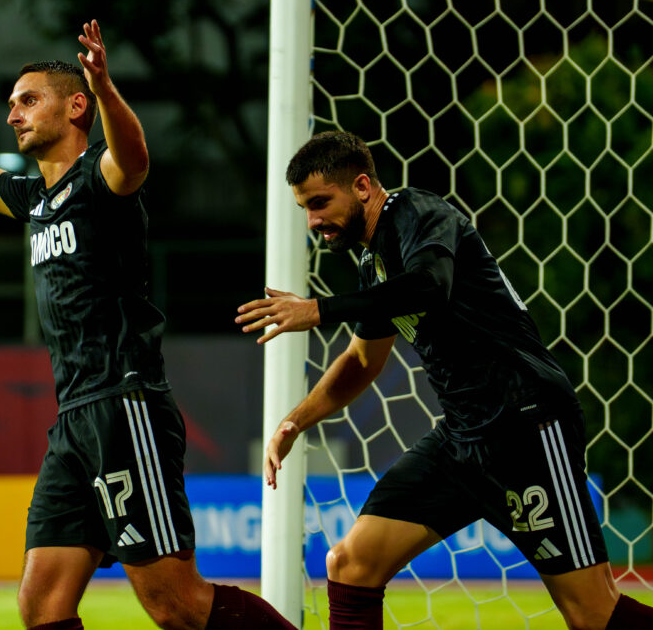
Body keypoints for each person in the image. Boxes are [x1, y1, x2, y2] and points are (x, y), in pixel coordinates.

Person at [0, 20, 295, 630]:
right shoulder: (37, 201)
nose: (13, 115)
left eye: (28, 100)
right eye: (11, 105)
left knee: (174, 602)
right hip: (74, 421)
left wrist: (105, 88)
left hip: (125, 405)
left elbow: (136, 158)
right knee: (42, 603)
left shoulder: (103, 180)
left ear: (76, 107)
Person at [235, 131, 653, 630]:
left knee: (592, 613)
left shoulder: (417, 213)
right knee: (351, 563)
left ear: (363, 186)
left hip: (527, 426)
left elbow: (431, 286)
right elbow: (363, 361)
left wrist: (318, 309)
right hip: (461, 440)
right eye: (305, 207)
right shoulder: (372, 262)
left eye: (321, 202)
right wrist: (294, 422)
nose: (313, 221)